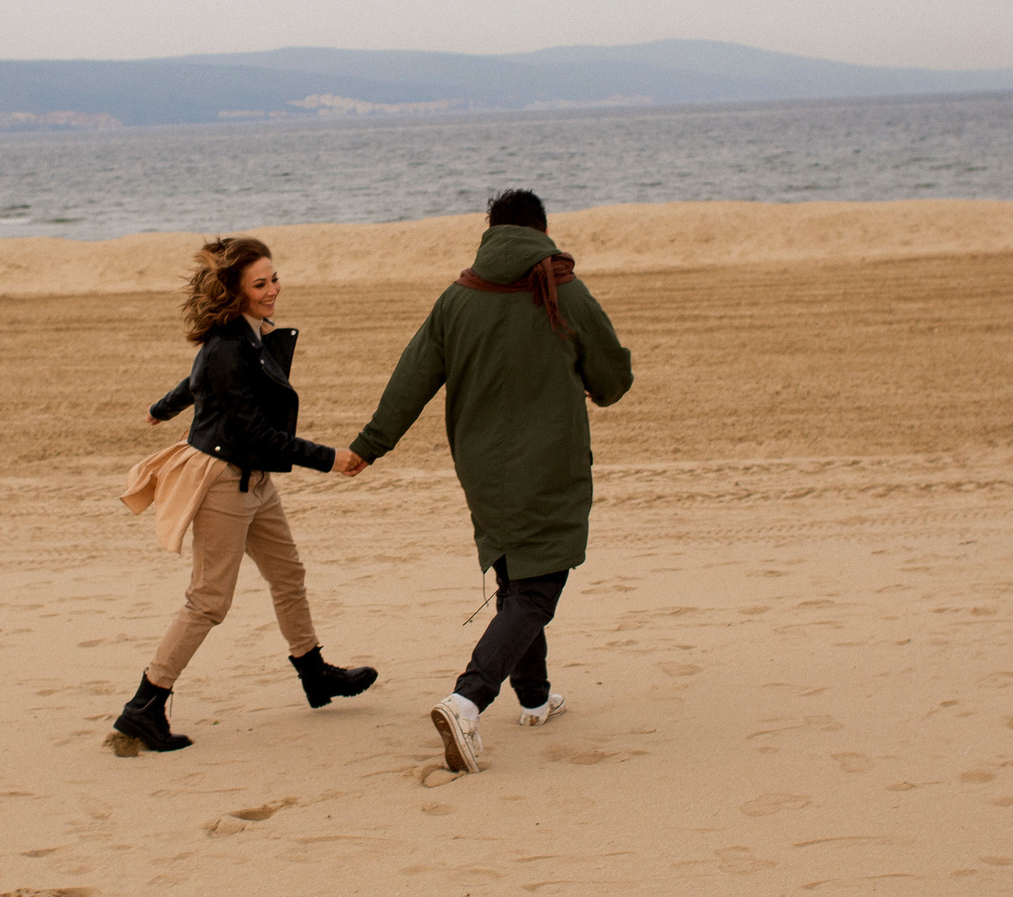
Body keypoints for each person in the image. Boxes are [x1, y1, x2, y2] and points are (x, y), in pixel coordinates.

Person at [344, 189, 633, 773]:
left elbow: (411, 379)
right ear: (541, 232)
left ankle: (534, 696)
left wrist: (368, 446)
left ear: (491, 232)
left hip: (480, 466)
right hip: (551, 462)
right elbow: (611, 379)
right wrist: (595, 379)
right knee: (536, 591)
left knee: (515, 575)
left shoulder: (458, 297)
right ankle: (467, 700)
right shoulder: (564, 290)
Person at [110, 236, 375, 754]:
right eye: (261, 284)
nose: (274, 289)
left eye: (274, 278)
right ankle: (144, 705)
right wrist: (329, 457)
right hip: (224, 485)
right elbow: (253, 431)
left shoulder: (244, 335)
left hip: (257, 483)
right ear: (235, 291)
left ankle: (313, 672)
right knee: (208, 601)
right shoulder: (228, 347)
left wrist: (162, 407)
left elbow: (196, 382)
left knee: (288, 575)